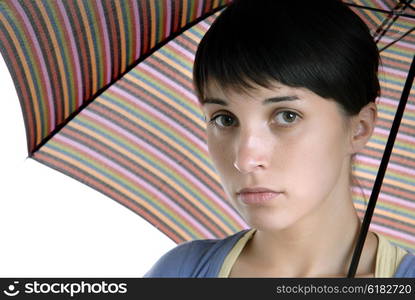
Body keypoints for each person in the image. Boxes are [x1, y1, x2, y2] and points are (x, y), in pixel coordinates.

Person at [144, 0, 415, 277]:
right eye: (225, 119)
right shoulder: (180, 273)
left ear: (359, 128)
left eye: (286, 116)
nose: (245, 160)